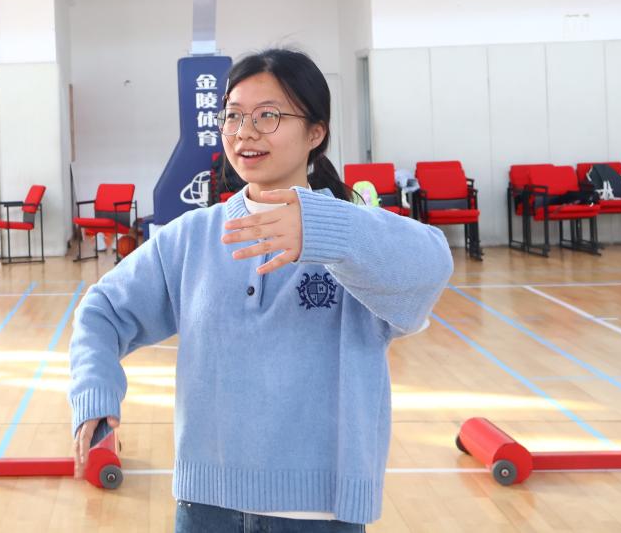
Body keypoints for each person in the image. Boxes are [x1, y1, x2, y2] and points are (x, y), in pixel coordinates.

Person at [69, 48, 452, 531]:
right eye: (233, 116)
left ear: (316, 132)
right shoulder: (193, 236)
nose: (245, 132)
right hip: (206, 507)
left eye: (268, 115)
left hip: (320, 514)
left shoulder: (352, 236)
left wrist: (323, 228)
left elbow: (432, 264)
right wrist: (96, 388)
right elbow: (102, 310)